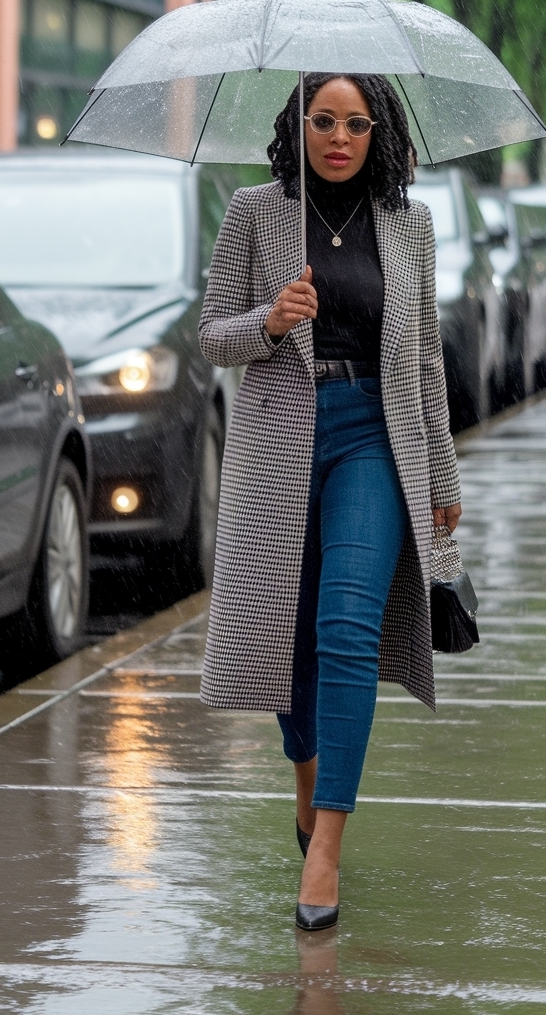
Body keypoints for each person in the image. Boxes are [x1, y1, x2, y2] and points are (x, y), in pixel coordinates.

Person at [198, 71, 461, 931]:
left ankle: (327, 848)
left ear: (379, 130)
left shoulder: (410, 224)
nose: (338, 137)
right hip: (281, 437)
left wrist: (443, 481)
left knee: (346, 625)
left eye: (355, 123)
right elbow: (210, 337)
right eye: (323, 121)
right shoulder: (256, 212)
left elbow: (423, 361)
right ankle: (307, 772)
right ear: (298, 124)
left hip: (374, 440)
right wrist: (271, 322)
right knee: (290, 626)